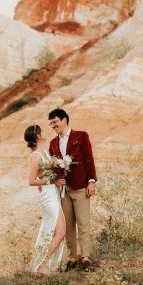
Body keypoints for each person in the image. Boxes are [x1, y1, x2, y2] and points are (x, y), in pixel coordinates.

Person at [48, 108, 97, 271]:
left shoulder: (81, 136)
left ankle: (86, 257)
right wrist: (56, 178)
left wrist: (91, 181)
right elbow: (52, 166)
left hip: (81, 186)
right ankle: (72, 257)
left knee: (84, 223)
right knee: (68, 225)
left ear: (64, 120)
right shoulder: (53, 143)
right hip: (63, 190)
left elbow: (89, 158)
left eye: (55, 122)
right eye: (51, 123)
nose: (53, 125)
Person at [24, 124, 66, 276]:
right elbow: (31, 181)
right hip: (48, 196)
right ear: (37, 137)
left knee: (53, 231)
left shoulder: (44, 152)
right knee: (61, 232)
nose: (44, 133)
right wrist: (51, 182)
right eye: (41, 132)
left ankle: (44, 266)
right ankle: (42, 266)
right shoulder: (36, 156)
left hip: (52, 192)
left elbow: (46, 173)